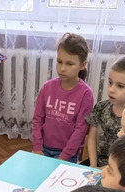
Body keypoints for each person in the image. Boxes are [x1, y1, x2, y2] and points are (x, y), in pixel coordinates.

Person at [31, 33, 94, 162]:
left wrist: (64, 156)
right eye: (59, 62)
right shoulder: (47, 87)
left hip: (67, 153)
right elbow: (37, 119)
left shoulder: (86, 94)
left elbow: (80, 129)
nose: (62, 68)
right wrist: (37, 148)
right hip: (43, 148)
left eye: (70, 64)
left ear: (83, 65)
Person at [85, 54, 125, 167]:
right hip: (95, 164)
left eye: (120, 86)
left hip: (121, 169)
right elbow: (92, 138)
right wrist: (93, 165)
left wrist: (109, 169)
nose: (111, 90)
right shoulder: (100, 107)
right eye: (110, 82)